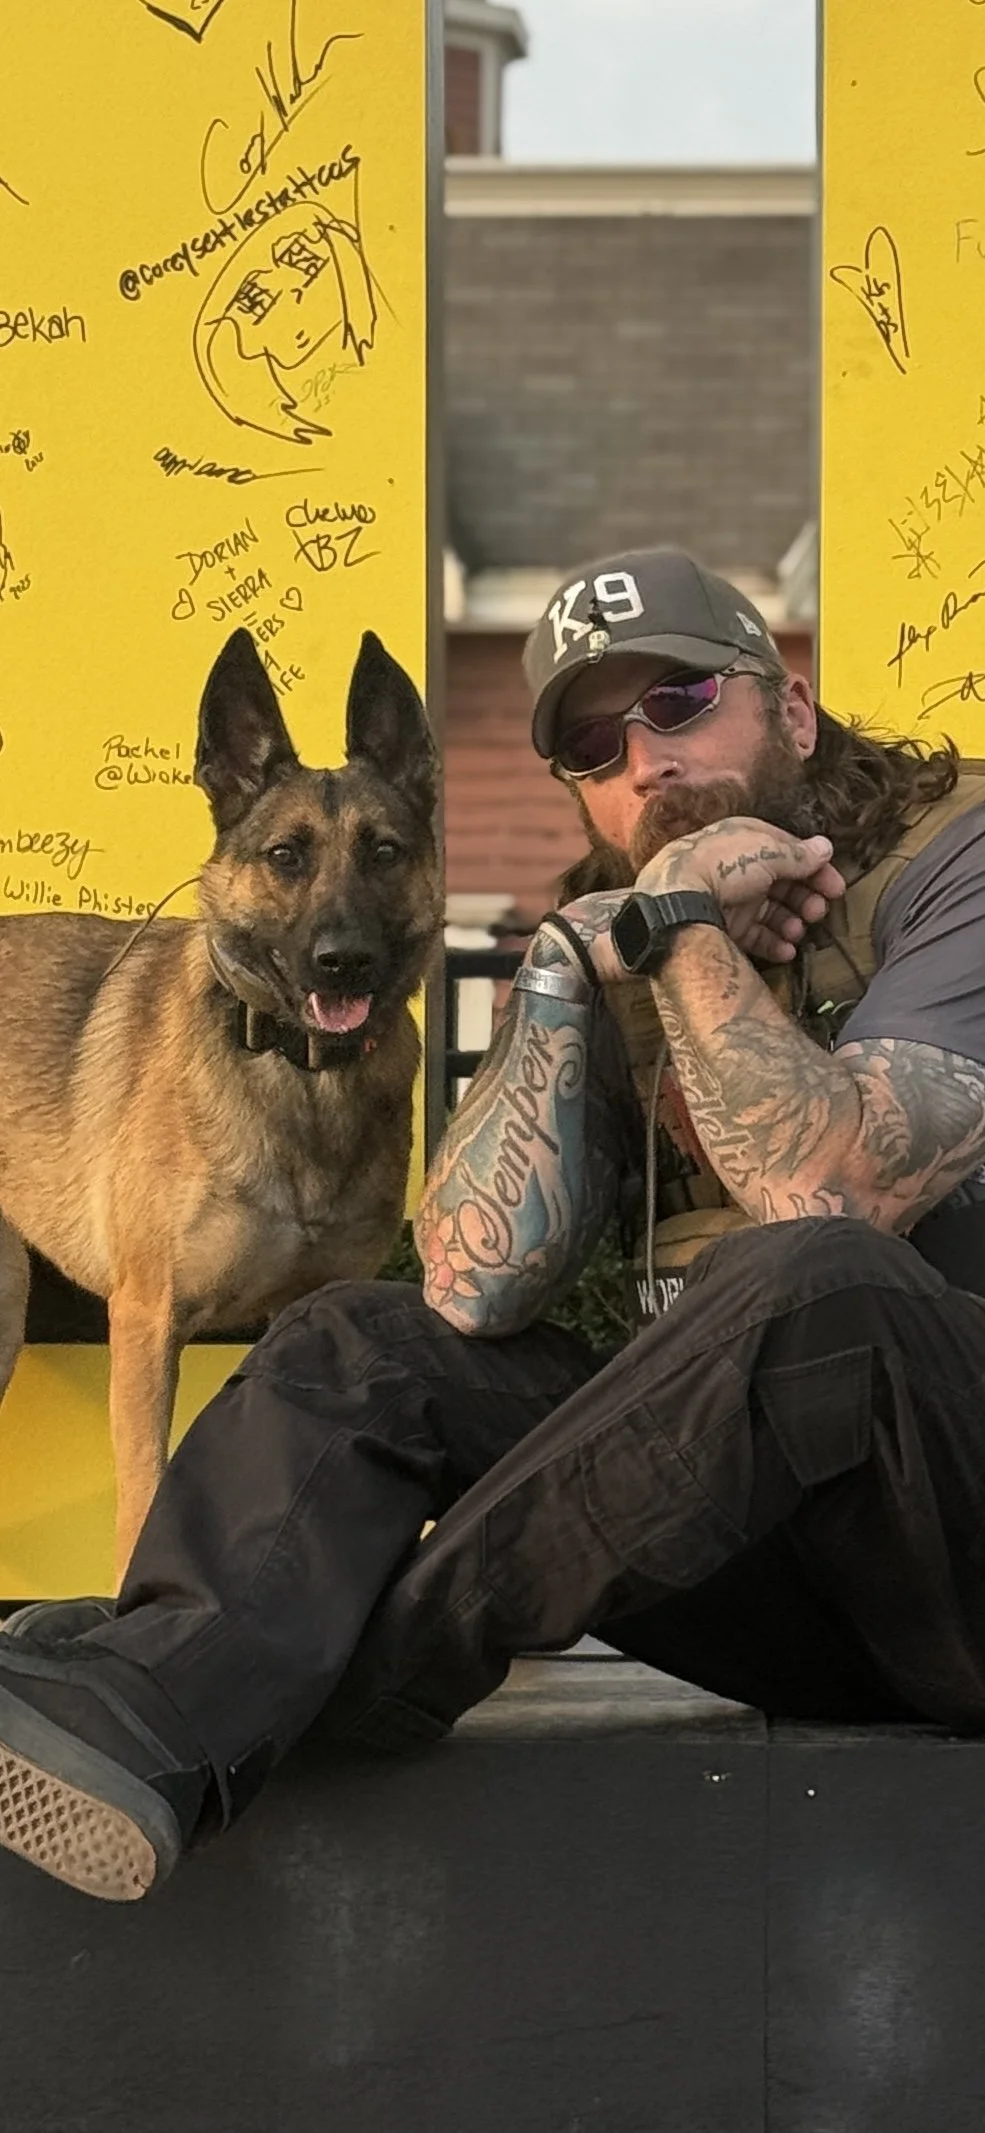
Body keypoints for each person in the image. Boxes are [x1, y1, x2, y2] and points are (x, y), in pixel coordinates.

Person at [5, 544, 985, 1906]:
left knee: (817, 1280)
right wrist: (575, 961)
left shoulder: (960, 863)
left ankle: (367, 1681)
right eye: (594, 741)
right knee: (364, 1341)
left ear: (795, 710)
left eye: (682, 700)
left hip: (956, 1536)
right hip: (777, 1581)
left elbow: (837, 1195)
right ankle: (164, 1700)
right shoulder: (626, 927)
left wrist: (687, 923)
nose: (643, 758)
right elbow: (472, 1284)